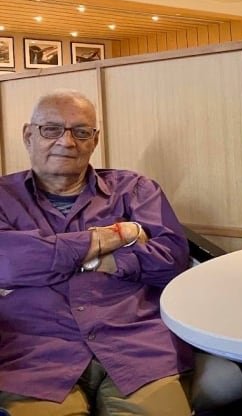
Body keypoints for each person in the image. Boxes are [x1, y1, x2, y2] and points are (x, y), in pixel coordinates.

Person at [0, 90, 193, 415]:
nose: (66, 142)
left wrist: (103, 261)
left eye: (81, 131)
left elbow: (172, 260)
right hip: (34, 354)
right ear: (27, 135)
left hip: (136, 346)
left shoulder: (134, 190)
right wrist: (113, 236)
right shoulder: (4, 197)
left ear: (95, 140)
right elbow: (8, 263)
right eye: (51, 129)